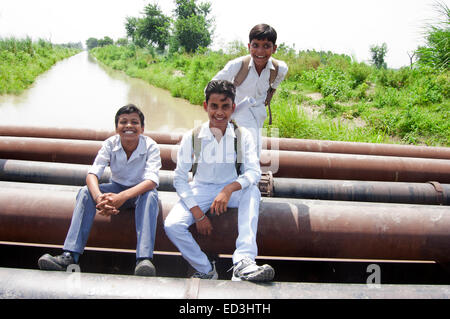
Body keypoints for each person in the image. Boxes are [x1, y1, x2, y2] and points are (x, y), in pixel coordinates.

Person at [164, 80, 275, 282]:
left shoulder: (242, 136)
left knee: (253, 191)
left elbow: (253, 172)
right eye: (214, 106)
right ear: (206, 106)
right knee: (172, 225)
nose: (219, 112)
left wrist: (229, 189)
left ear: (233, 108)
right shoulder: (192, 137)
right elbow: (180, 178)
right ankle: (205, 268)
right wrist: (198, 214)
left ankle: (243, 261)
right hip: (201, 189)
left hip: (232, 190)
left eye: (225, 107)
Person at [38, 104, 161, 276]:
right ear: (116, 127)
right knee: (84, 192)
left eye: (134, 122)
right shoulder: (110, 144)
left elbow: (151, 181)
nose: (129, 126)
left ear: (142, 128)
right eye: (123, 122)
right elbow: (92, 174)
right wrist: (99, 199)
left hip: (139, 192)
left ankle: (144, 260)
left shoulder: (151, 146)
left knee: (151, 196)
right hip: (116, 187)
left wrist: (122, 197)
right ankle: (69, 256)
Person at [213, 23, 288, 158]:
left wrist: (268, 98)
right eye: (255, 45)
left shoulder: (280, 68)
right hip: (238, 109)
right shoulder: (238, 65)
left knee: (244, 145)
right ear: (249, 47)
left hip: (259, 112)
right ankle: (249, 175)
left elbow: (274, 85)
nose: (260, 51)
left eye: (266, 46)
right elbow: (211, 86)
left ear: (274, 48)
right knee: (253, 145)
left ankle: (240, 172)